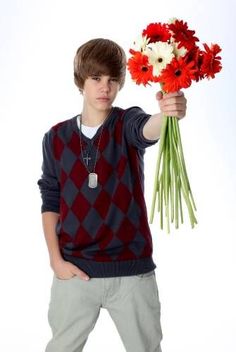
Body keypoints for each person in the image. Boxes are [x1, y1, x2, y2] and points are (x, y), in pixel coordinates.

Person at [37, 38, 187, 352]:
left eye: (112, 80)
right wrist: (55, 260)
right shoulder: (56, 138)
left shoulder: (125, 122)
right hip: (76, 271)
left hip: (131, 272)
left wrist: (168, 114)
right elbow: (51, 199)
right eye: (96, 79)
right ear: (81, 81)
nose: (105, 87)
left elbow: (147, 129)